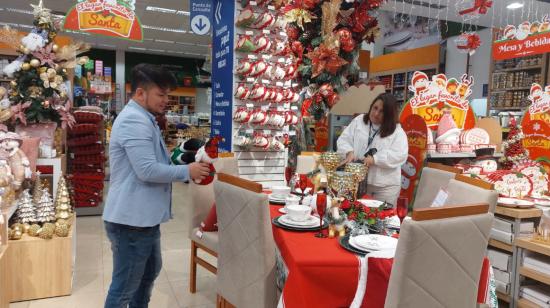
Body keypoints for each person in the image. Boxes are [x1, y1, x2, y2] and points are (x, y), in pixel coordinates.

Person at [103, 64, 210, 308]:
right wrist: (187, 170)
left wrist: (182, 158)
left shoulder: (144, 118)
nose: (166, 100)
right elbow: (147, 170)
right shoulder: (134, 121)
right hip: (131, 221)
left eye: (168, 94)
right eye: (161, 95)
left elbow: (150, 161)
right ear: (141, 93)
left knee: (147, 274)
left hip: (143, 219)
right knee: (125, 287)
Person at [337, 93, 408, 206]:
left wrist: (375, 159)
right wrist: (349, 152)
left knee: (382, 219)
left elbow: (400, 155)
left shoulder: (397, 131)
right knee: (357, 216)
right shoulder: (359, 121)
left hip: (385, 188)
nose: (376, 113)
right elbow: (343, 140)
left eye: (382, 111)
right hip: (359, 183)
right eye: (375, 108)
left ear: (389, 114)